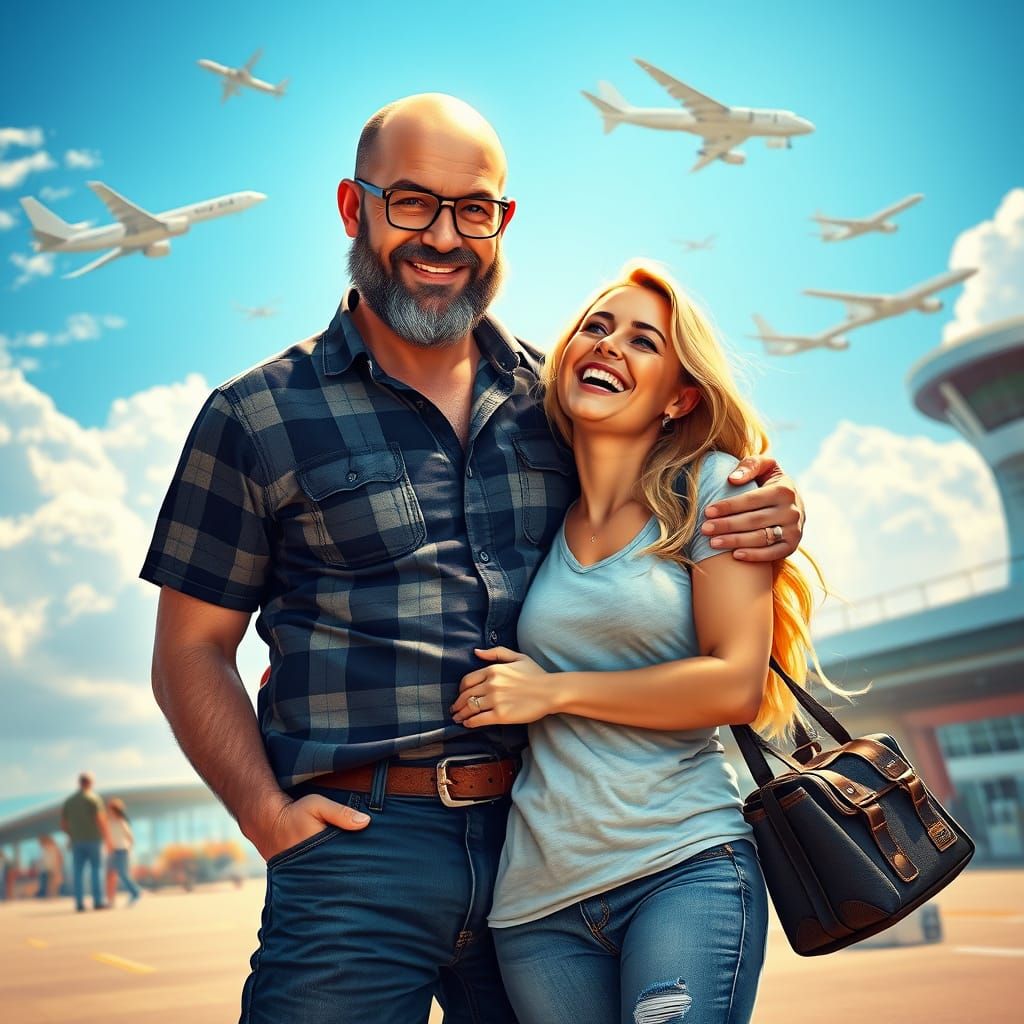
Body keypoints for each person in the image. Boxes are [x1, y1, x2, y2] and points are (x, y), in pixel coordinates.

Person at [141, 93, 806, 1023]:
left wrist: (772, 503)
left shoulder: (561, 402)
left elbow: (679, 474)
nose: (444, 236)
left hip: (541, 849)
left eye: (474, 209)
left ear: (504, 221)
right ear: (353, 207)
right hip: (357, 852)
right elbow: (189, 650)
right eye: (412, 202)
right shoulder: (257, 415)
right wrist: (266, 816)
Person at [450, 263, 835, 1024]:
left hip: (681, 865)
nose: (610, 345)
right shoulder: (540, 506)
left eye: (643, 341)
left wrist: (553, 690)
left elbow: (734, 686)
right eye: (596, 327)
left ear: (680, 397)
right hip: (537, 907)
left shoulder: (718, 492)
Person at [60, 772, 111, 912]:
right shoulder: (93, 799)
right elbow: (100, 819)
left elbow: (63, 824)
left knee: (78, 872)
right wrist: (107, 838)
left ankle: (79, 903)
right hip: (94, 839)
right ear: (90, 783)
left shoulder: (69, 801)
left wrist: (72, 834)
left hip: (77, 842)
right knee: (96, 869)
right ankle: (98, 901)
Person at [106, 798, 142, 906]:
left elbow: (130, 838)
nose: (108, 810)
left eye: (111, 808)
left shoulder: (121, 822)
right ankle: (111, 900)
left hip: (121, 851)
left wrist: (129, 850)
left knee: (123, 874)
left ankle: (135, 892)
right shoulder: (108, 821)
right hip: (112, 852)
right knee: (110, 875)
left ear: (115, 810)